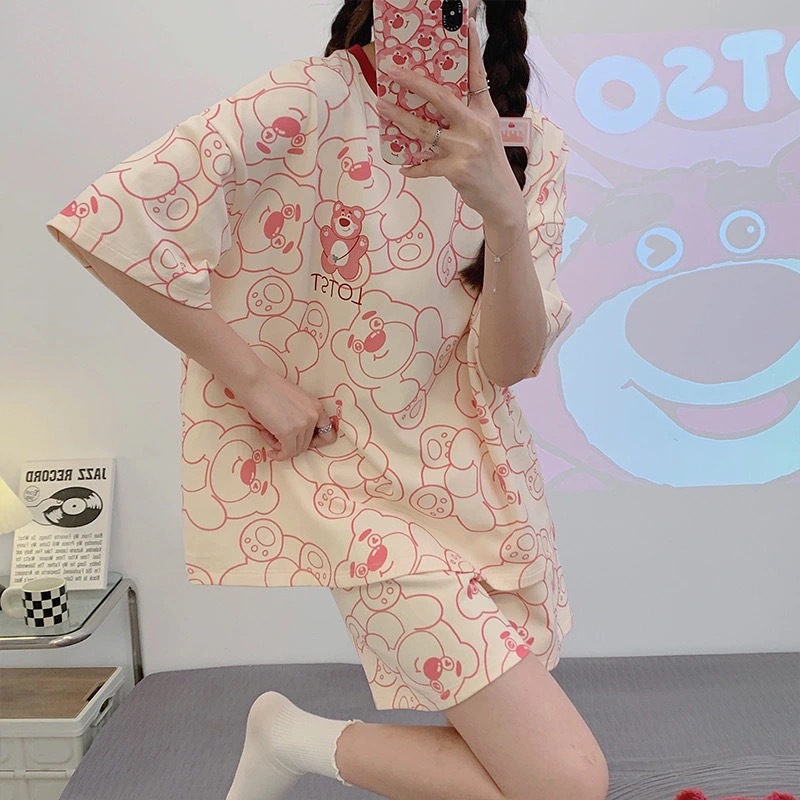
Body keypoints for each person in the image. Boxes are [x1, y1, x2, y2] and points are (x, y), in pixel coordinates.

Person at [45, 0, 608, 798]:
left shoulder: (528, 144)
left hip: (485, 489)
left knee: (520, 769)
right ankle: (295, 742)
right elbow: (108, 221)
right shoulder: (309, 101)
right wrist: (254, 382)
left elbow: (509, 365)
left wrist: (505, 218)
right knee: (563, 784)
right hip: (356, 493)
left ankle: (286, 738)